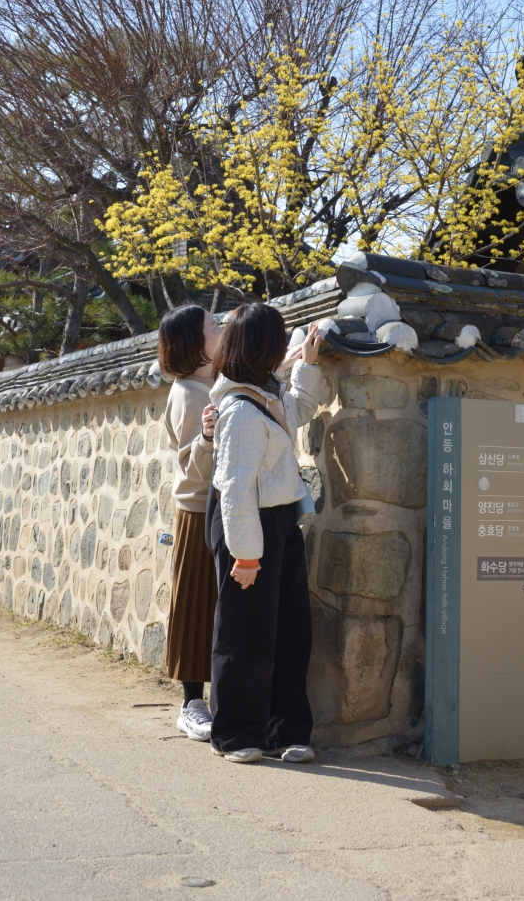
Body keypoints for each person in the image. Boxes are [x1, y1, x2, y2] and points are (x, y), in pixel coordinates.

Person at [208, 303, 323, 765]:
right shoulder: (240, 410)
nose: (284, 349)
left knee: (291, 628)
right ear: (263, 347)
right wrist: (247, 556)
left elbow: (303, 409)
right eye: (279, 341)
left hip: (278, 521)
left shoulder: (268, 394)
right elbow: (235, 490)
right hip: (248, 525)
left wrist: (307, 366)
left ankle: (286, 731)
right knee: (245, 632)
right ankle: (237, 734)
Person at [159, 305, 223, 741]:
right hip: (198, 509)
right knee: (195, 602)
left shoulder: (214, 382)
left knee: (219, 604)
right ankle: (191, 703)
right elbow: (190, 466)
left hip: (223, 505)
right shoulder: (186, 392)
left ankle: (218, 697)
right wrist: (206, 437)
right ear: (193, 343)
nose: (220, 329)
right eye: (213, 326)